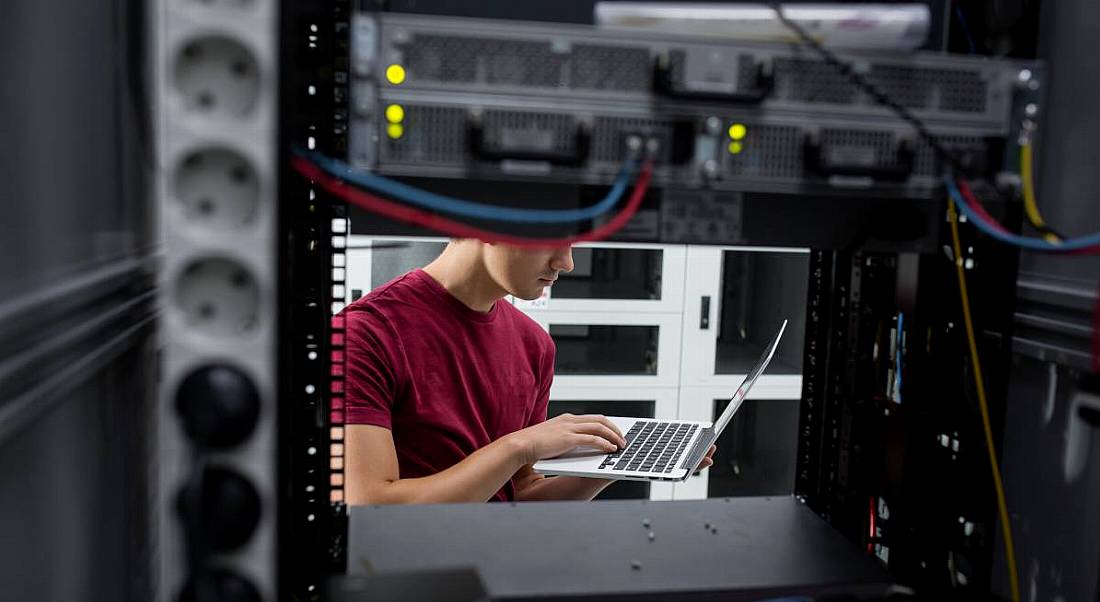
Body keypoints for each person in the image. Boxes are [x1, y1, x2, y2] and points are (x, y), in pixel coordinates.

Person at [344, 239, 715, 504]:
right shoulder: (364, 334)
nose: (566, 262)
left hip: (500, 565)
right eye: (551, 239)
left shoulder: (534, 344)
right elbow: (369, 506)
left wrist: (624, 464)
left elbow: (522, 494)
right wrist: (520, 446)